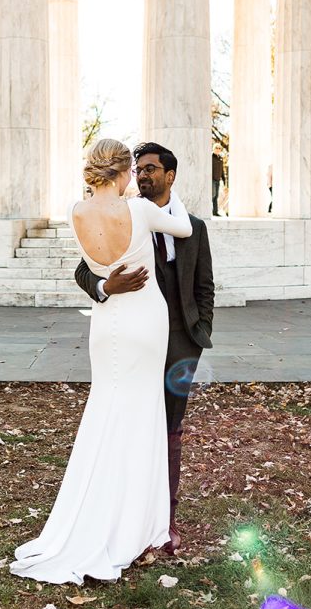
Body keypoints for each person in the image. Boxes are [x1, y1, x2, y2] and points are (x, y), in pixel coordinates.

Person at [10, 138, 192, 585]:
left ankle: (92, 513)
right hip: (146, 321)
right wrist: (172, 192)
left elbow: (89, 265)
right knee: (140, 414)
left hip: (106, 321)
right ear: (124, 170)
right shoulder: (138, 210)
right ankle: (134, 523)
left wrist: (108, 285)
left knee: (106, 409)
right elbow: (183, 227)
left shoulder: (77, 212)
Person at [75, 141, 215, 555]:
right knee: (133, 423)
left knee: (169, 430)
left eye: (151, 169)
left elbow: (205, 286)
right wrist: (105, 287)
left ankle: (165, 520)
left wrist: (199, 331)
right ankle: (126, 515)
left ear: (170, 176)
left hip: (181, 343)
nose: (142, 175)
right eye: (137, 169)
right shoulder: (123, 214)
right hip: (136, 337)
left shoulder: (195, 226)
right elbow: (84, 269)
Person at [211, 147, 226, 216]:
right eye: (216, 148)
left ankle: (215, 212)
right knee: (213, 195)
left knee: (216, 196)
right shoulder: (211, 157)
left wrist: (224, 179)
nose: (218, 149)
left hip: (218, 179)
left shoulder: (220, 158)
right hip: (212, 179)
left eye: (219, 148)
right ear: (213, 149)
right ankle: (208, 210)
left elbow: (222, 170)